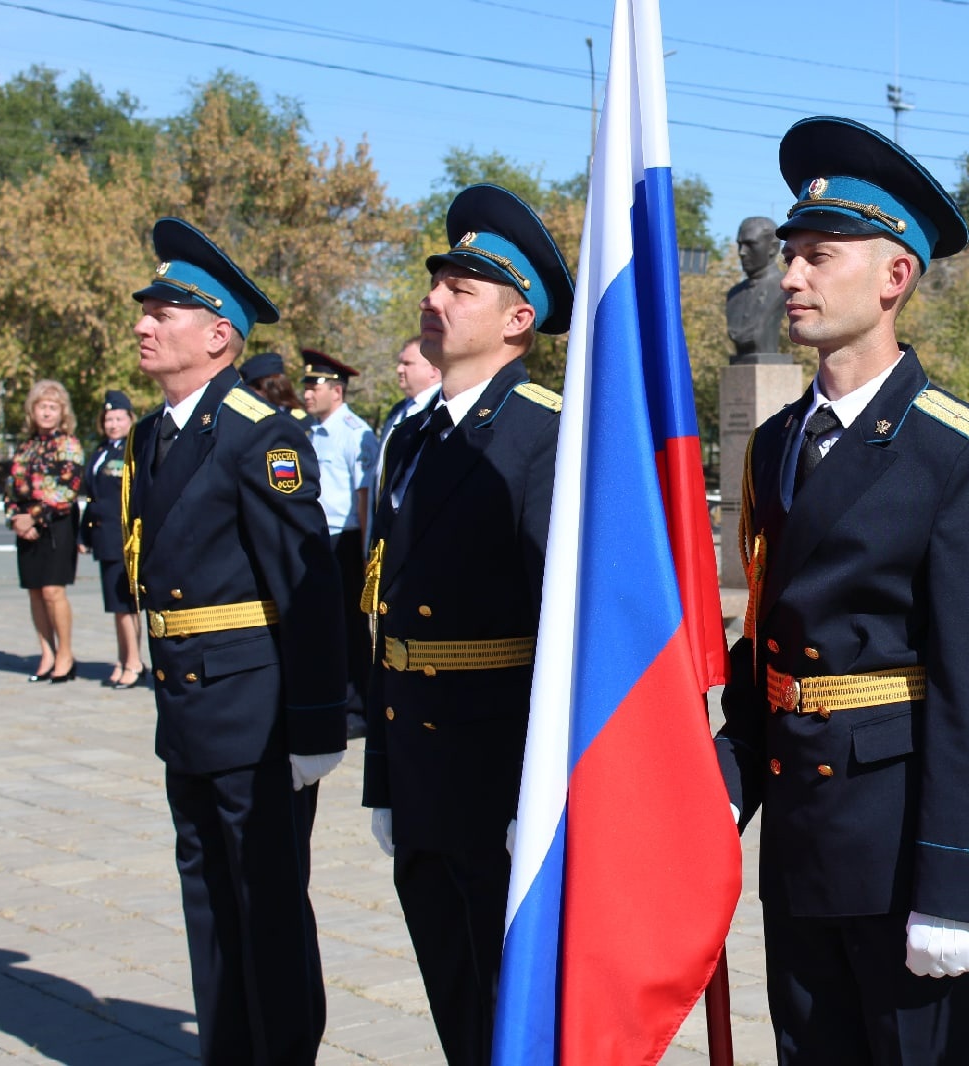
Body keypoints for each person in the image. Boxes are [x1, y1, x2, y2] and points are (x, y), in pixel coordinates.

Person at [714, 116, 969, 1064]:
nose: (792, 277)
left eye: (820, 257)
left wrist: (955, 886)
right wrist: (722, 784)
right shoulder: (777, 443)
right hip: (800, 831)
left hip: (900, 842)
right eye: (791, 256)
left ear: (895, 276)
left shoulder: (967, 453)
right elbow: (770, 639)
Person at [128, 217, 348, 1064]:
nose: (144, 325)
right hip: (187, 709)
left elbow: (308, 588)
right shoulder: (152, 435)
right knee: (209, 906)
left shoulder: (261, 433)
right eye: (146, 312)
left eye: (163, 313)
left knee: (268, 909)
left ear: (218, 335)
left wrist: (317, 727)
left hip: (256, 719)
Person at [362, 183, 572, 1066]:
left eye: (461, 288)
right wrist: (383, 775)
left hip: (497, 777)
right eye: (436, 282)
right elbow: (388, 618)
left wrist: (546, 798)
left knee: (511, 1011)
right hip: (421, 767)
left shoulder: (545, 435)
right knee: (454, 994)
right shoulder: (413, 435)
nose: (434, 298)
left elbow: (567, 634)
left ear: (519, 318)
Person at [301, 348, 378, 724]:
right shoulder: (310, 431)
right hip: (317, 538)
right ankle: (333, 697)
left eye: (314, 386)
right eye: (305, 386)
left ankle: (357, 705)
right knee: (323, 623)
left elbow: (364, 498)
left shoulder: (354, 433)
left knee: (350, 625)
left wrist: (365, 553)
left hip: (345, 540)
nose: (306, 393)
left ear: (337, 390)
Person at [4, 378, 84, 683]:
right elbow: (10, 489)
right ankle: (46, 652)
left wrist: (33, 518)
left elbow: (67, 490)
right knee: (35, 592)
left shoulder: (68, 444)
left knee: (52, 591)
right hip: (25, 527)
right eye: (42, 406)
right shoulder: (26, 447)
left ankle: (65, 654)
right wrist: (16, 518)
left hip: (57, 526)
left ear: (62, 412)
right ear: (32, 410)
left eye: (53, 407)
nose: (47, 412)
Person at [78, 389, 146, 689]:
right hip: (103, 536)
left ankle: (134, 662)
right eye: (108, 419)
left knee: (125, 605)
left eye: (119, 418)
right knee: (116, 606)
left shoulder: (134, 450)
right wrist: (84, 534)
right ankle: (123, 659)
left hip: (123, 538)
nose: (113, 424)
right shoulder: (101, 451)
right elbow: (92, 498)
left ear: (130, 419)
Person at [372, 335, 441, 492]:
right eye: (400, 363)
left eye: (407, 363)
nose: (399, 369)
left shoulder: (440, 410)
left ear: (433, 369)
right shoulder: (397, 411)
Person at [726, 215, 789, 359]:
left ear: (772, 248)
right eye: (740, 245)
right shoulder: (733, 295)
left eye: (750, 244)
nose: (742, 252)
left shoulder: (784, 287)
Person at [241, 350, 313, 429]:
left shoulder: (302, 423)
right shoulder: (248, 420)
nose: (249, 395)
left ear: (266, 387)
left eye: (251, 390)